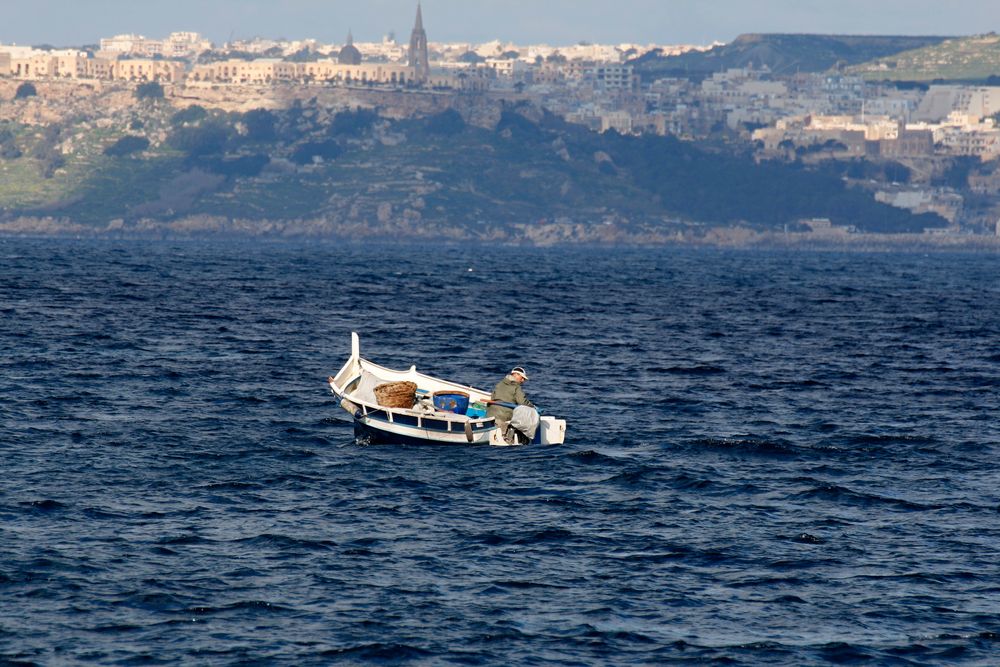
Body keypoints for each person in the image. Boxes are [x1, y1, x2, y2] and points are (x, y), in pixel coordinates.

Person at [488, 367, 534, 444]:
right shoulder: (516, 387)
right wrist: (532, 407)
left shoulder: (499, 384)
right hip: (504, 418)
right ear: (515, 375)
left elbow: (492, 398)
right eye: (522, 378)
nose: (523, 380)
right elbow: (522, 402)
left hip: (490, 416)